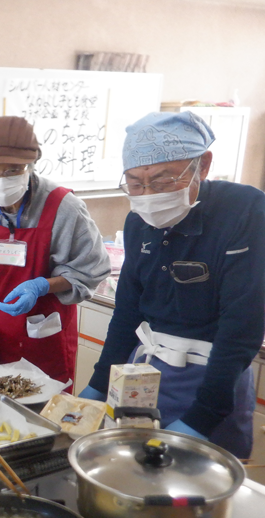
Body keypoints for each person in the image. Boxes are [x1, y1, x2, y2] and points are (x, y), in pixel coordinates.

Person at [80, 111, 265, 458]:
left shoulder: (246, 211)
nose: (148, 195)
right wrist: (99, 381)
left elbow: (242, 325)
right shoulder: (138, 221)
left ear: (203, 165)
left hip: (214, 381)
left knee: (196, 495)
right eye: (135, 183)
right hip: (146, 373)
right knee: (134, 475)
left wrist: (203, 417)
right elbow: (127, 312)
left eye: (164, 181)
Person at [0, 116, 110, 386]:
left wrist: (40, 286)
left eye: (13, 170)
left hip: (40, 338)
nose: (1, 180)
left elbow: (89, 272)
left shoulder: (64, 207)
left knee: (41, 418)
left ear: (31, 165)